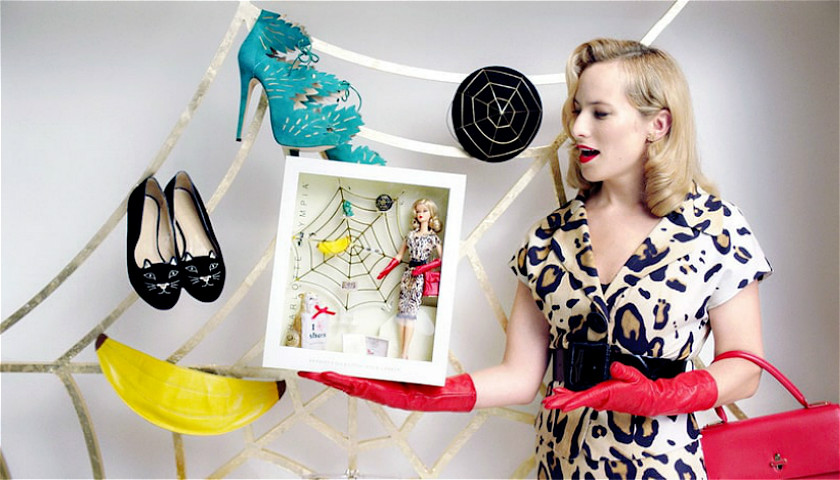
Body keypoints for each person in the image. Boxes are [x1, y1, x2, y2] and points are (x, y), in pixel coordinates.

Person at [300, 38, 772, 478]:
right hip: (562, 465)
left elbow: (745, 367)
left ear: (658, 124)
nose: (577, 128)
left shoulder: (715, 227)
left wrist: (660, 394)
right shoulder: (549, 237)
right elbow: (520, 377)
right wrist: (426, 392)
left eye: (600, 113)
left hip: (663, 466)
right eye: (577, 110)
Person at [376, 198, 443, 359]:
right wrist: (385, 270)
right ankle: (402, 351)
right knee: (402, 313)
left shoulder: (433, 238)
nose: (421, 214)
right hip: (407, 275)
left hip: (420, 276)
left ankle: (405, 352)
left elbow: (442, 259)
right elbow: (399, 256)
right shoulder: (411, 235)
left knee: (411, 313)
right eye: (418, 211)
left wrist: (424, 268)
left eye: (424, 211)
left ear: (431, 214)